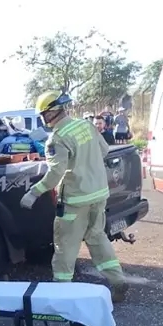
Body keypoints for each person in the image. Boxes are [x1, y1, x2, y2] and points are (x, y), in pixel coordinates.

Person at [20, 91, 128, 302]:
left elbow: (55, 173)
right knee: (97, 237)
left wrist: (34, 193)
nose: (43, 119)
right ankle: (117, 280)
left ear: (51, 113)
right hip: (99, 194)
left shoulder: (57, 139)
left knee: (65, 246)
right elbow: (104, 150)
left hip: (75, 201)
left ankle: (62, 293)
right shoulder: (85, 125)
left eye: (43, 114)